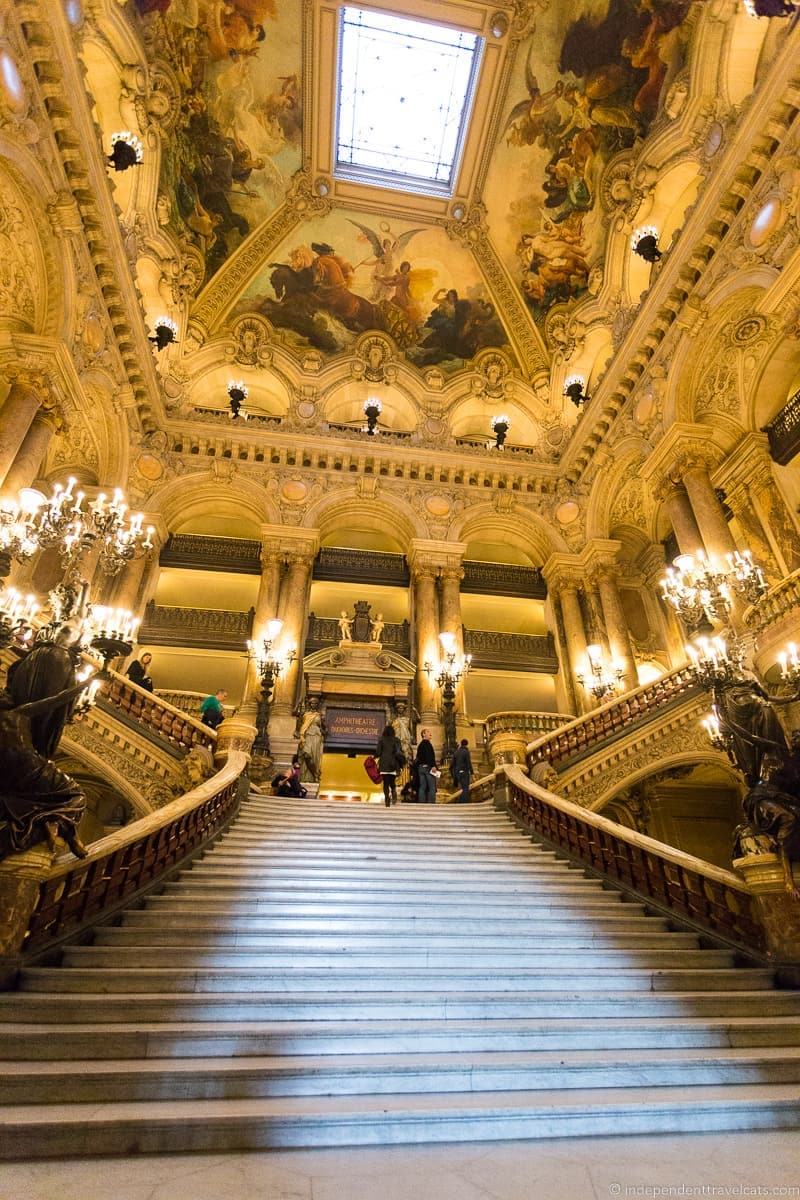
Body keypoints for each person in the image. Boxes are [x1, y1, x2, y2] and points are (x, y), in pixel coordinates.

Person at [298, 697, 326, 783]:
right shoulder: (305, 714)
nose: (314, 705)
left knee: (314, 758)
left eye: (315, 703)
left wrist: (324, 730)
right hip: (306, 735)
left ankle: (314, 776)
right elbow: (299, 724)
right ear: (310, 704)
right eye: (312, 703)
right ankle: (314, 775)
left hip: (316, 736)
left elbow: (324, 728)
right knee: (306, 754)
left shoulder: (319, 715)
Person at [376, 723, 403, 807]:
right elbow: (399, 752)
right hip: (393, 764)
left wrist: (374, 756)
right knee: (392, 781)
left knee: (385, 783)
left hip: (384, 764)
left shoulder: (381, 740)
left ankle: (387, 799)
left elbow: (378, 752)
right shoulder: (397, 740)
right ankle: (394, 790)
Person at [416, 727, 438, 805]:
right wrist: (433, 766)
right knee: (432, 786)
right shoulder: (427, 744)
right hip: (428, 768)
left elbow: (418, 757)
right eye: (428, 732)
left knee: (422, 787)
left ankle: (421, 803)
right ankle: (431, 803)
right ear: (424, 734)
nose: (430, 733)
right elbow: (429, 756)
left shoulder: (420, 745)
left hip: (421, 768)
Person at [451, 738, 474, 804]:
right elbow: (468, 763)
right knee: (465, 788)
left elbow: (451, 766)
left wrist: (453, 775)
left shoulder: (456, 752)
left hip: (457, 773)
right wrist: (472, 773)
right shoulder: (466, 752)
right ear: (467, 744)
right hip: (464, 772)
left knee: (463, 788)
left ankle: (461, 802)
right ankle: (463, 803)